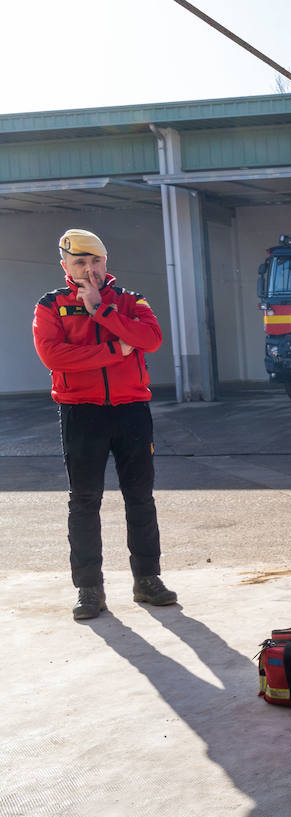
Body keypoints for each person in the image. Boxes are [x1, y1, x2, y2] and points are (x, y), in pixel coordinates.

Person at [31, 229, 176, 621]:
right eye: (80, 262)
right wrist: (115, 350)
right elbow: (54, 356)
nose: (89, 269)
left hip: (131, 410)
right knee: (83, 501)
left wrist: (102, 310)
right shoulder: (52, 306)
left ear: (105, 262)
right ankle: (89, 589)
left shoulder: (129, 300)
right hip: (82, 412)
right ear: (65, 266)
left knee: (140, 498)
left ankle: (147, 580)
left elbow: (152, 338)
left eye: (95, 261)